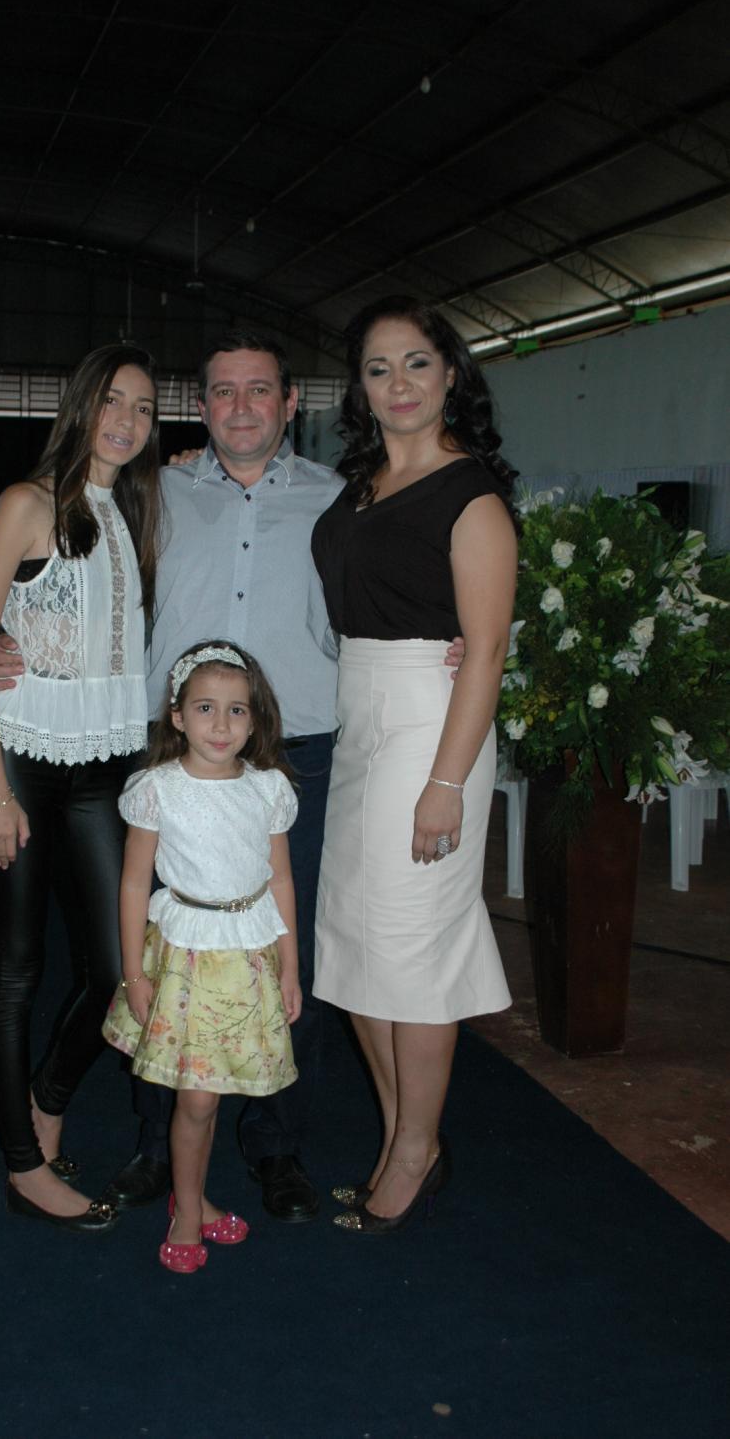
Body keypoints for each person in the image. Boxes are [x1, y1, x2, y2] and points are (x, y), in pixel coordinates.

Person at [0, 331, 462, 1223]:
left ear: (291, 403)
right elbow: (73, 580)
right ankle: (155, 1141)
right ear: (200, 406)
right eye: (222, 391)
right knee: (163, 953)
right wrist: (5, 639)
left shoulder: (342, 499)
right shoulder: (152, 492)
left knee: (285, 949)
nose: (241, 406)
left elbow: (398, 586)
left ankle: (276, 1145)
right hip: (167, 758)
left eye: (260, 390)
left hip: (295, 755)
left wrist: (455, 634)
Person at [311, 294, 517, 1235]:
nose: (399, 383)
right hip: (360, 717)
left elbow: (486, 649)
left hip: (431, 728)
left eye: (417, 363)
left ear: (451, 374)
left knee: (414, 948)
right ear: (360, 388)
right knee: (357, 943)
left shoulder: (470, 494)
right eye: (378, 368)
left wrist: (445, 782)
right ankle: (409, 1137)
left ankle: (411, 1151)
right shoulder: (359, 487)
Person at [0, 343, 164, 1233]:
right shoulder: (26, 503)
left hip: (104, 767)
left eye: (144, 408)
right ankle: (22, 1163)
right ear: (81, 404)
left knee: (119, 968)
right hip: (20, 763)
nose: (126, 420)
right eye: (112, 400)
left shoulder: (136, 510)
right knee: (15, 970)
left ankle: (46, 1098)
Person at [102, 640, 300, 1270]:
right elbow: (134, 884)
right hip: (186, 962)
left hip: (246, 959)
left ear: (255, 720)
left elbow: (281, 880)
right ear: (178, 717)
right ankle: (187, 1211)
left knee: (210, 1094)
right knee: (196, 1099)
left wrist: (291, 969)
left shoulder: (267, 789)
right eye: (205, 708)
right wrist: (133, 972)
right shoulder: (158, 789)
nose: (221, 724)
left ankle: (192, 1197)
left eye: (237, 710)